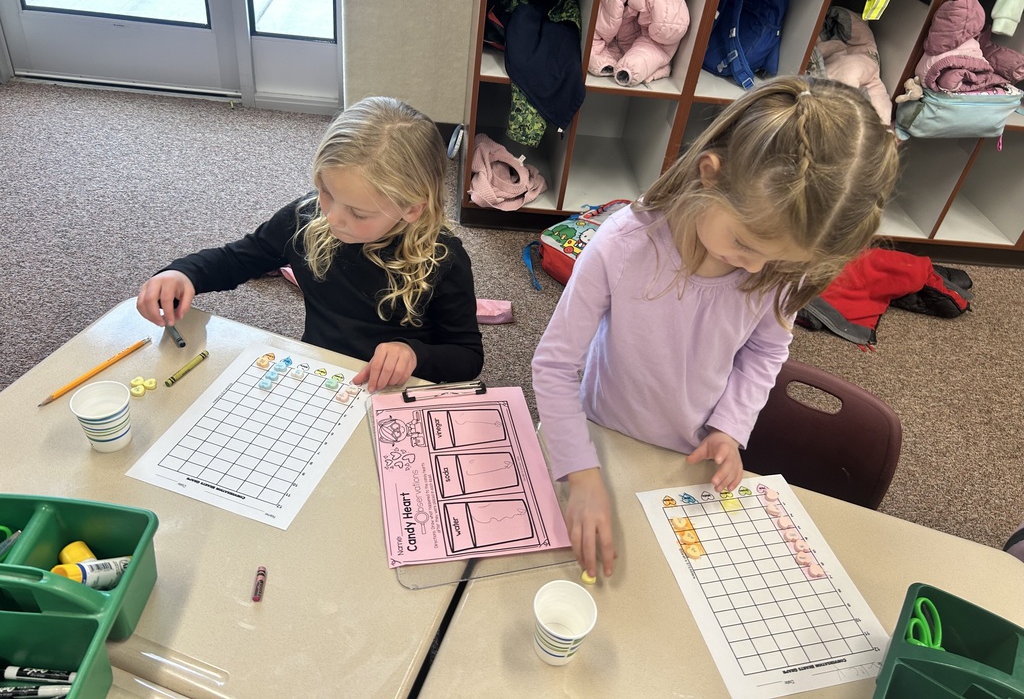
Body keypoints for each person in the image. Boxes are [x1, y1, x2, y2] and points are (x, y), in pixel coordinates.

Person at [532, 76, 899, 579]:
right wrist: (582, 473)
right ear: (710, 175)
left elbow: (766, 352)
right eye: (745, 243)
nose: (753, 268)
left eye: (777, 259)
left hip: (685, 458)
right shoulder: (622, 247)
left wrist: (730, 427)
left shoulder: (774, 270)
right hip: (602, 437)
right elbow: (554, 365)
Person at [137, 96, 484, 392]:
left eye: (359, 214)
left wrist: (413, 354)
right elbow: (238, 259)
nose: (332, 217)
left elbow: (467, 356)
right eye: (327, 193)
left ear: (411, 208)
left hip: (396, 387)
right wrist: (184, 273)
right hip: (319, 373)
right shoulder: (306, 217)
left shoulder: (444, 259)